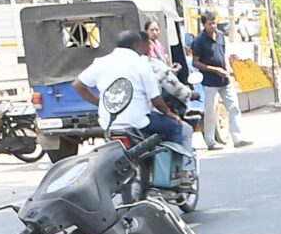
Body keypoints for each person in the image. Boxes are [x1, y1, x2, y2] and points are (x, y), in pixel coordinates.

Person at [74, 27, 185, 147]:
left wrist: (101, 103)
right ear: (136, 44)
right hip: (137, 122)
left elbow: (77, 85)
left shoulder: (101, 62)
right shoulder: (142, 64)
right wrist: (169, 113)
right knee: (175, 127)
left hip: (108, 123)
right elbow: (156, 100)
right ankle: (177, 165)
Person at [187, 14, 250, 150]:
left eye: (214, 23)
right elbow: (195, 62)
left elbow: (223, 54)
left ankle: (237, 138)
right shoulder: (199, 41)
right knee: (209, 111)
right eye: (210, 24)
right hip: (210, 81)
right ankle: (210, 141)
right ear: (204, 24)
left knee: (234, 107)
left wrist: (227, 67)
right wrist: (214, 69)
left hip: (224, 79)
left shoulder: (220, 35)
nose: (213, 26)